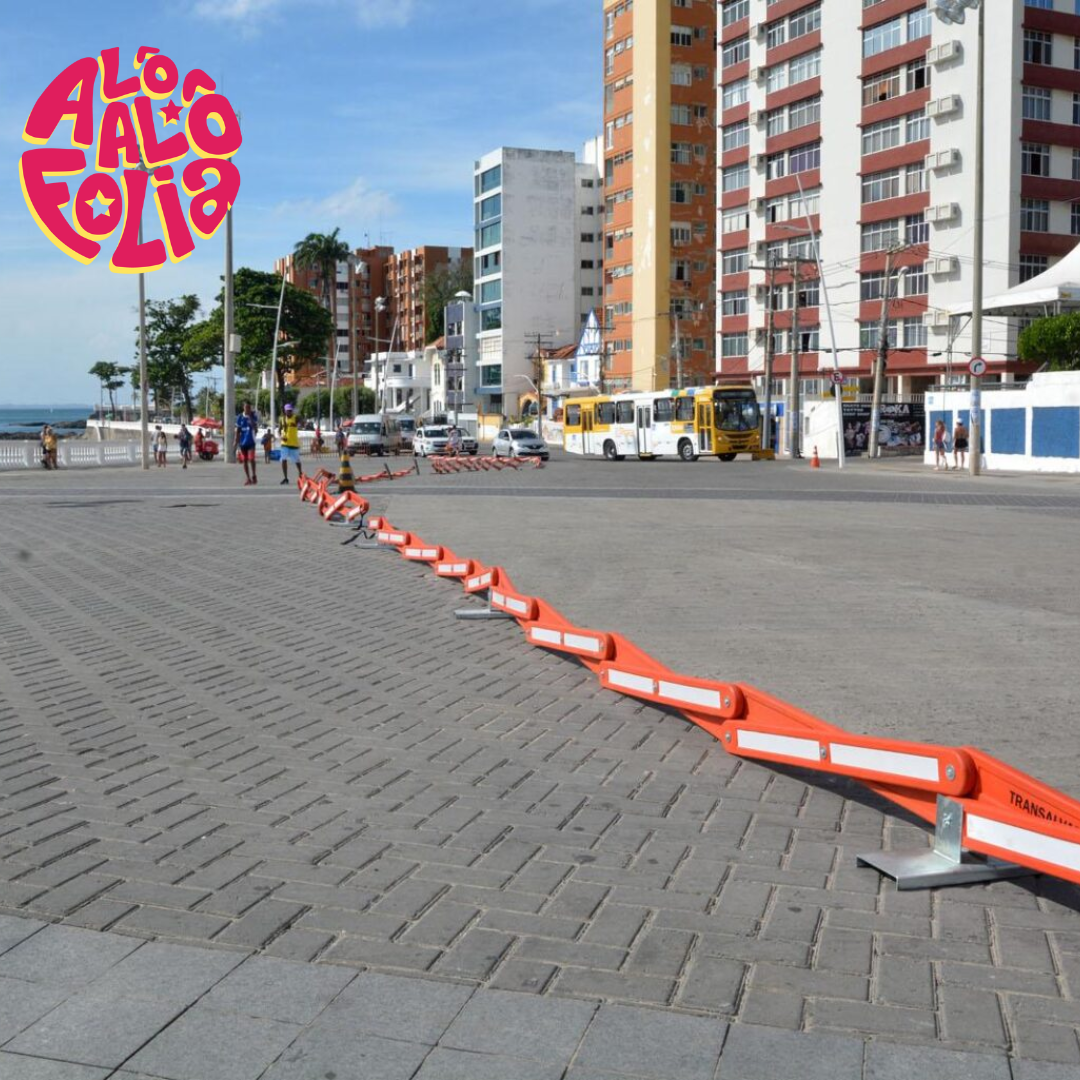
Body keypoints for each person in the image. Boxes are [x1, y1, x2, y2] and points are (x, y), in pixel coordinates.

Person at [278, 402, 303, 485]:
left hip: (294, 443)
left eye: (290, 410)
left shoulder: (295, 418)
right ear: (285, 411)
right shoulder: (282, 419)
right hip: (285, 443)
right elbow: (279, 430)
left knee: (297, 460)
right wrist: (281, 436)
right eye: (287, 411)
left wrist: (298, 424)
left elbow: (302, 422)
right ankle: (285, 478)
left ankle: (300, 473)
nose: (289, 412)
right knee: (283, 459)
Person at [235, 401, 259, 485]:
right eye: (246, 407)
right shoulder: (239, 417)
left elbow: (256, 429)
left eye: (249, 407)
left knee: (251, 459)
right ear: (243, 408)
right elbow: (238, 431)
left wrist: (250, 419)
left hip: (251, 441)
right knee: (244, 460)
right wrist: (235, 441)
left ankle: (254, 475)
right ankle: (248, 478)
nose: (248, 409)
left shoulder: (253, 416)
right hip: (242, 442)